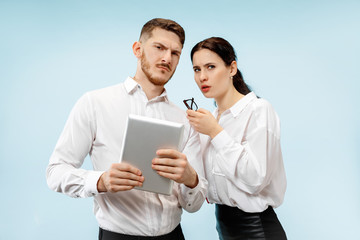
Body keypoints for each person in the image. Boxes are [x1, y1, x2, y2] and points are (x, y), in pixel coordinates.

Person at [46, 18, 207, 240]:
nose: (166, 58)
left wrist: (191, 179)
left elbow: (193, 205)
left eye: (175, 53)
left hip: (173, 235)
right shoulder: (95, 103)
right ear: (137, 49)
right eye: (159, 48)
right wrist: (101, 181)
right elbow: (55, 172)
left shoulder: (185, 120)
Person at [186, 37, 287, 240]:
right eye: (197, 69)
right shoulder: (210, 119)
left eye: (211, 67)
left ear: (232, 68)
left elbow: (255, 179)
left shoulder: (258, 109)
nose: (202, 77)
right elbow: (203, 184)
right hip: (224, 227)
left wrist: (216, 132)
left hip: (257, 230)